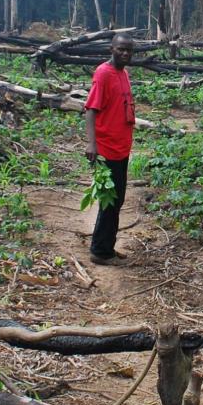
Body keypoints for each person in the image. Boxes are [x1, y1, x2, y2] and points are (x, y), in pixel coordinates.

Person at [84, 33, 136, 265]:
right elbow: (91, 110)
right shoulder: (103, 74)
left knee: (118, 200)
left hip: (121, 148)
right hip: (107, 149)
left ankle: (107, 247)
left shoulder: (123, 73)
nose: (125, 53)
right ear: (111, 49)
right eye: (121, 49)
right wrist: (92, 144)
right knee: (110, 202)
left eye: (128, 50)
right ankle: (100, 252)